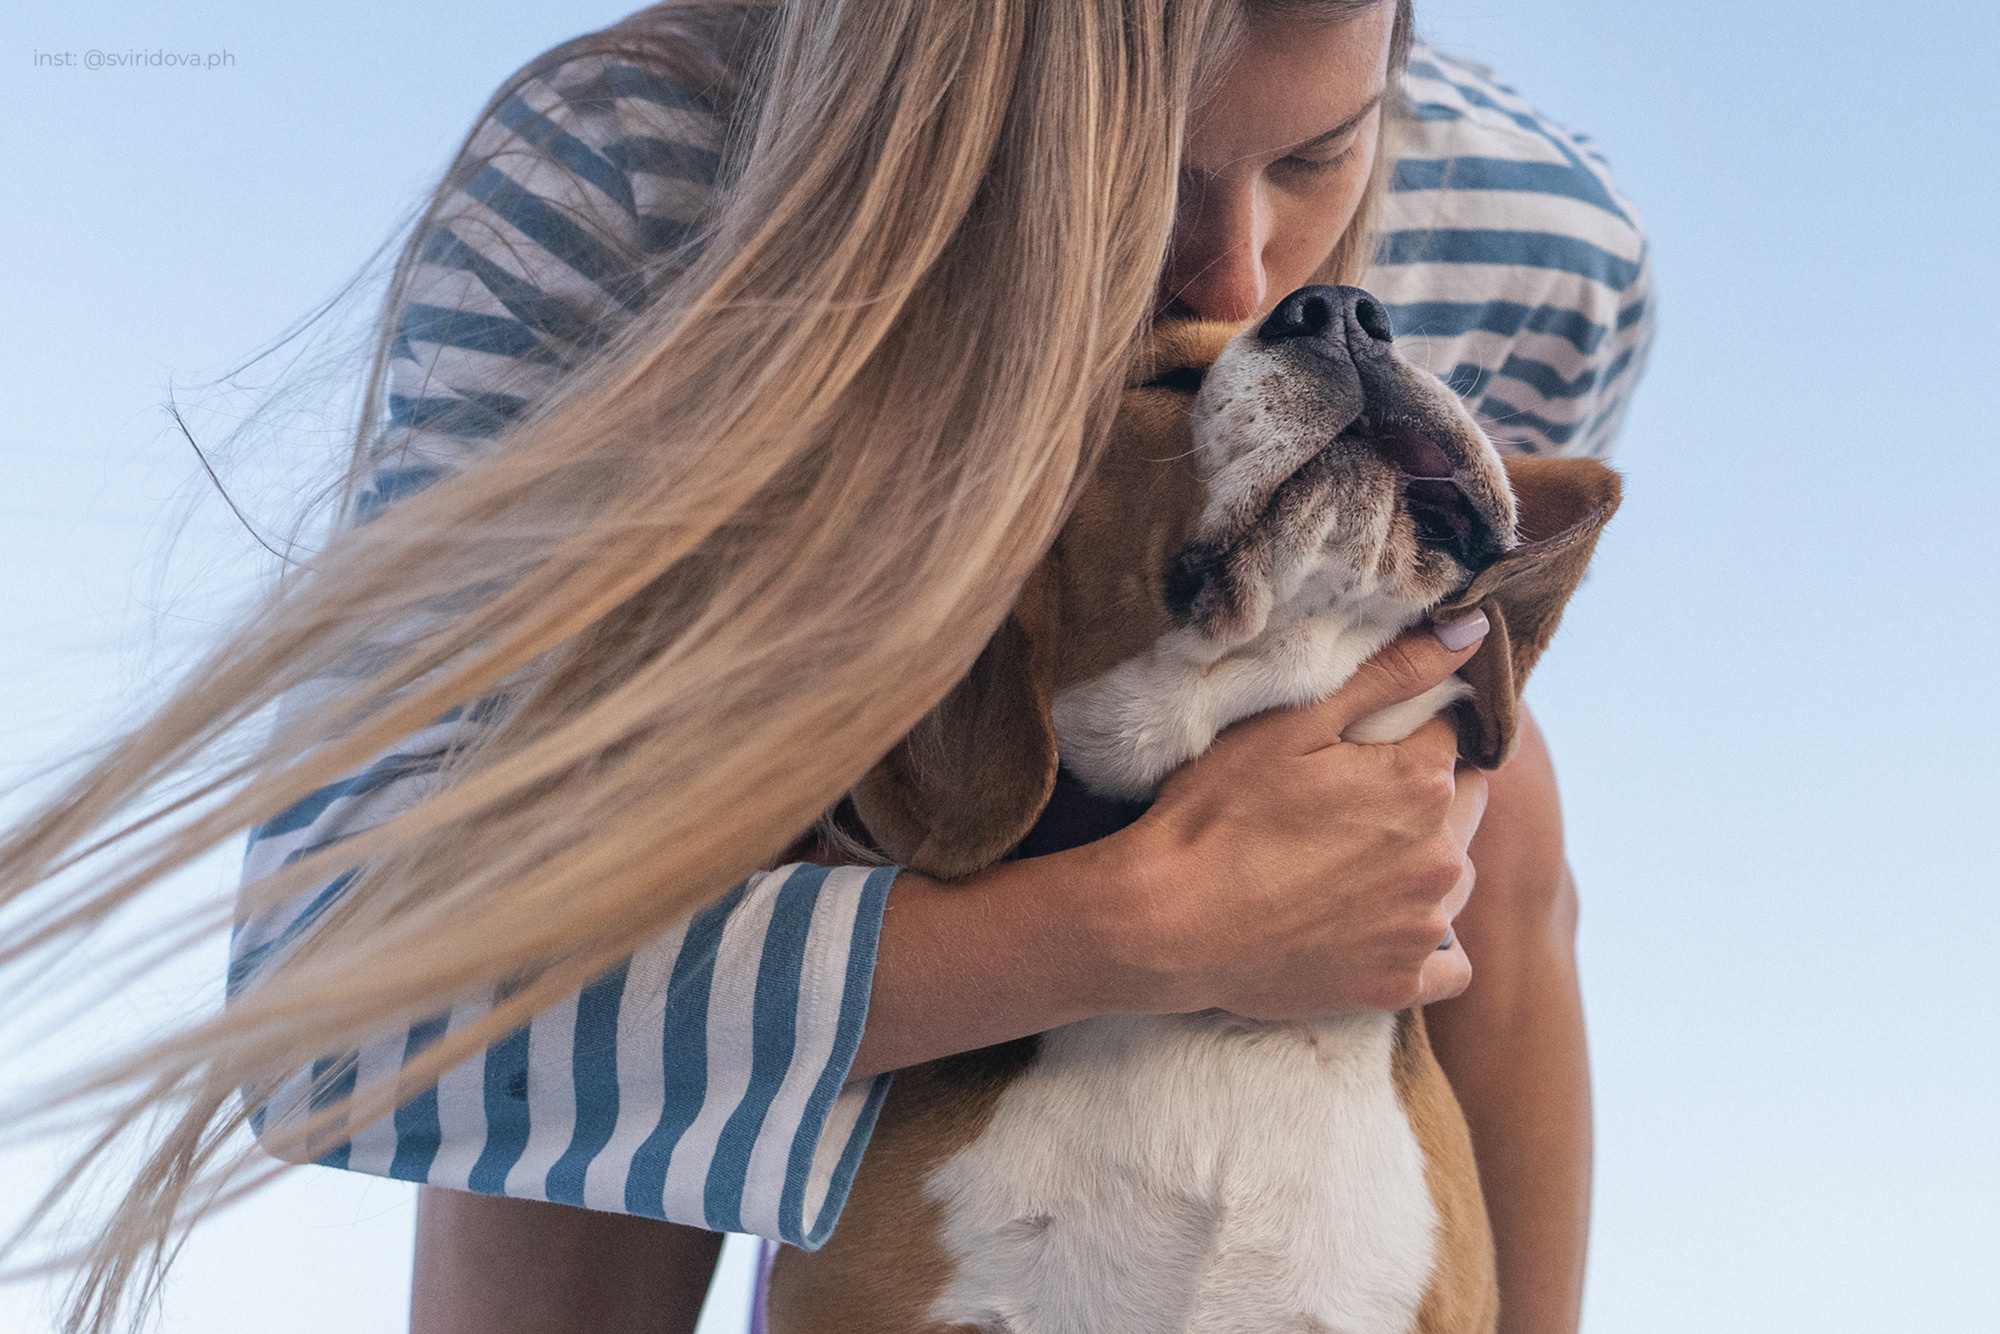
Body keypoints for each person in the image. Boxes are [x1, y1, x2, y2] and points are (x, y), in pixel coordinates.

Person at [3, 2, 1649, 1332]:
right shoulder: (638, 193)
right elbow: (354, 989)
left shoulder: (1538, 243)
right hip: (794, 837)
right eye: (1130, 173)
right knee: (613, 803)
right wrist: (1138, 926)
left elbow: (1462, 737)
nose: (1236, 277)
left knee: (1491, 789)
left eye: (1317, 155)